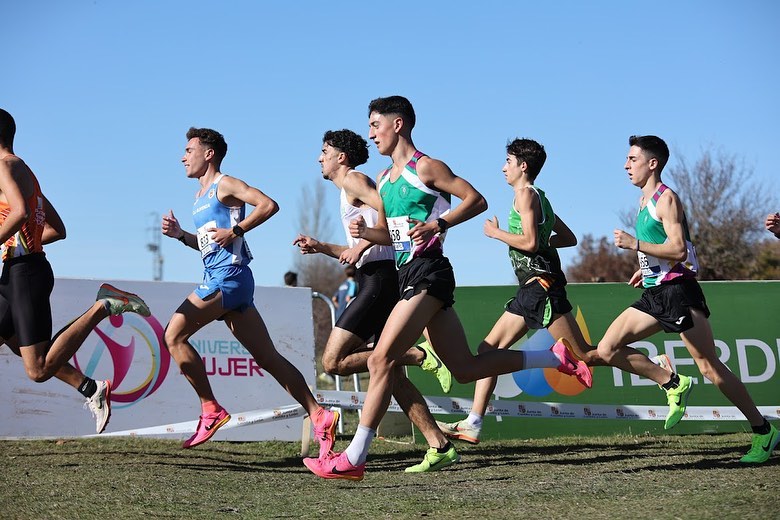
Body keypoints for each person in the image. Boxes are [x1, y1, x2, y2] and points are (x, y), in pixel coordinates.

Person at [303, 96, 587, 481]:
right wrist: (364, 235)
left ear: (398, 124)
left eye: (375, 125)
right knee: (466, 368)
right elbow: (393, 234)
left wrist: (440, 224)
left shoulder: (427, 166)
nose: (370, 134)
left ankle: (355, 456)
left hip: (430, 272)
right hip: (408, 273)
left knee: (380, 358)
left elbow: (476, 199)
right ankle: (555, 360)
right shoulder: (385, 180)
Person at [161, 127, 338, 451]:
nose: (183, 156)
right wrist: (180, 235)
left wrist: (237, 229)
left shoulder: (224, 184)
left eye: (189, 150)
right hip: (229, 277)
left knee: (173, 335)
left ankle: (211, 410)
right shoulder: (200, 198)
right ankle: (319, 415)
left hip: (227, 277)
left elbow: (268, 204)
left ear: (208, 153)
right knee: (267, 357)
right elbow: (209, 245)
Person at [602, 135, 777, 464]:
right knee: (607, 348)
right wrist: (648, 269)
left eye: (632, 159)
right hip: (656, 291)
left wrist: (634, 244)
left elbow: (679, 249)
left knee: (710, 367)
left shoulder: (666, 199)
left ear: (652, 163)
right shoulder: (643, 202)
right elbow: (672, 251)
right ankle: (672, 382)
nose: (626, 166)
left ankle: (763, 429)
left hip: (679, 293)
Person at [294, 129, 455, 471]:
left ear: (341, 157)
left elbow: (388, 208)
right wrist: (322, 246)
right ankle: (438, 443)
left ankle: (414, 353)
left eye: (324, 151)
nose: (319, 158)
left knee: (334, 362)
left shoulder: (353, 179)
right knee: (390, 374)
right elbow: (357, 251)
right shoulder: (346, 190)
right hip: (376, 274)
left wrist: (363, 243)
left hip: (381, 279)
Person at [436, 138, 596, 444]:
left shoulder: (525, 195)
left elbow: (532, 243)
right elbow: (566, 237)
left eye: (508, 162)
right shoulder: (539, 197)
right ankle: (474, 421)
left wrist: (496, 233)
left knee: (585, 355)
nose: (503, 168)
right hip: (535, 285)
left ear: (523, 166)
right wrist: (539, 243)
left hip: (541, 286)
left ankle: (661, 374)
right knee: (487, 351)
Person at [0, 108, 150, 433]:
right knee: (12, 340)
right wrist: (20, 244)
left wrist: (14, 244)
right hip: (18, 272)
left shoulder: (4, 167)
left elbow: (20, 211)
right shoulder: (24, 170)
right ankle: (90, 388)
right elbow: (56, 228)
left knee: (37, 369)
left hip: (23, 275)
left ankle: (103, 305)